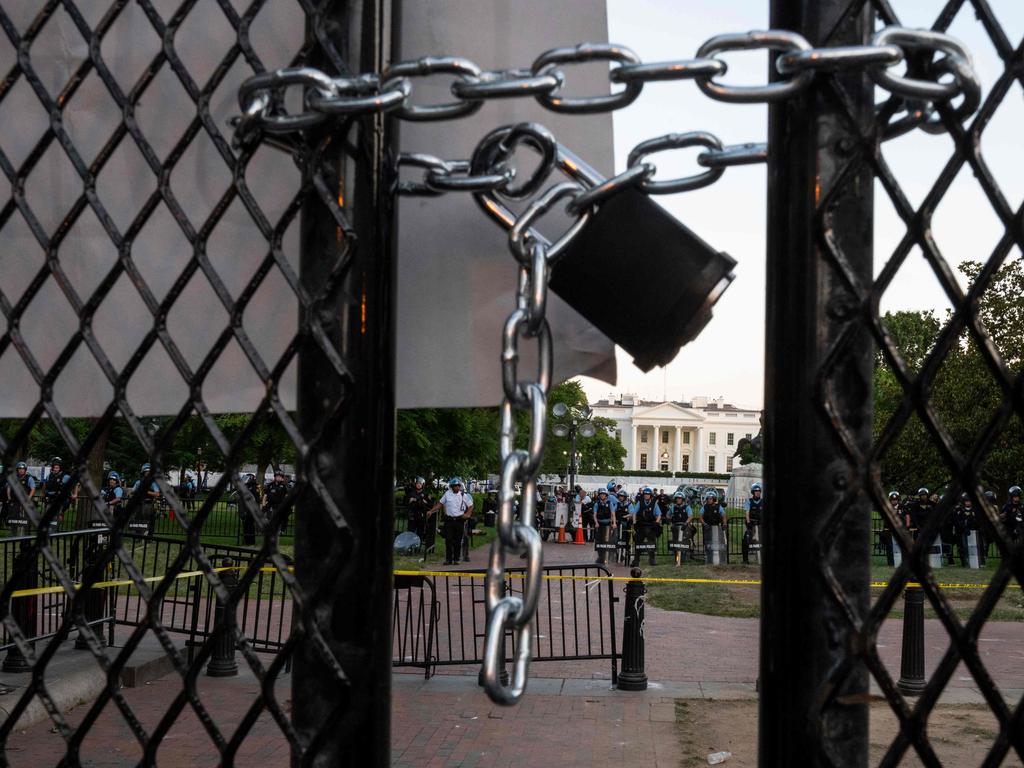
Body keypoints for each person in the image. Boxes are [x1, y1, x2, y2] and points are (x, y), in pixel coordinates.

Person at [428, 477, 473, 565]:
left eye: (458, 485)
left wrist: (467, 515)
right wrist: (431, 511)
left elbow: (471, 506)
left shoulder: (463, 495)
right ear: (452, 487)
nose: (457, 487)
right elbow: (440, 504)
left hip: (459, 520)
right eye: (455, 486)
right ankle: (448, 559)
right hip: (449, 520)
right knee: (448, 540)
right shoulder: (447, 494)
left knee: (458, 540)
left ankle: (456, 559)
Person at [629, 487, 662, 567]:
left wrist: (656, 522)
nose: (646, 496)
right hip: (641, 526)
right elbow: (634, 513)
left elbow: (659, 515)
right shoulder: (640, 502)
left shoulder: (654, 503)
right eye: (645, 494)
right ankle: (636, 560)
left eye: (648, 494)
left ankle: (652, 559)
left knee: (651, 543)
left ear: (650, 495)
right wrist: (634, 523)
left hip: (651, 526)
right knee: (638, 542)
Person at [43, 456, 77, 531]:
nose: (55, 469)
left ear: (60, 467)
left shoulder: (65, 476)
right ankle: (48, 531)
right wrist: (44, 494)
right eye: (54, 467)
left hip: (60, 501)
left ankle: (54, 531)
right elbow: (45, 485)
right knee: (48, 516)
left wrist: (75, 494)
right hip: (50, 499)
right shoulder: (49, 476)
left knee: (57, 516)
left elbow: (75, 483)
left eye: (57, 467)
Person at [405, 476, 433, 553]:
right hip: (412, 516)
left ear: (422, 485)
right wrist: (411, 500)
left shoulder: (426, 494)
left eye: (420, 483)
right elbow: (407, 501)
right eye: (417, 483)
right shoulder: (411, 493)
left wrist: (424, 502)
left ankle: (418, 548)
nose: (418, 485)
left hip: (421, 516)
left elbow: (430, 504)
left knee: (420, 533)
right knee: (410, 532)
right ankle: (409, 548)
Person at [131, 463, 161, 535]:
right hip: (139, 503)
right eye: (146, 472)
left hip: (149, 503)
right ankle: (138, 535)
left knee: (149, 520)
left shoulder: (153, 483)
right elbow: (132, 491)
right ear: (143, 472)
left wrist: (147, 491)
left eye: (149, 472)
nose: (147, 473)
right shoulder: (138, 482)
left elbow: (157, 494)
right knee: (138, 519)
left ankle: (149, 536)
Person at [699, 489, 727, 563]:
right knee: (707, 542)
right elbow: (701, 517)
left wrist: (724, 524)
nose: (709, 500)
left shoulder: (719, 507)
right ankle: (707, 556)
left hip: (717, 527)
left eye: (711, 499)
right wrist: (704, 524)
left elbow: (724, 516)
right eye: (708, 499)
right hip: (707, 527)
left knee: (718, 541)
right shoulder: (704, 507)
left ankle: (720, 557)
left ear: (714, 499)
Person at [261, 468, 291, 540]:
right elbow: (265, 496)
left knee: (284, 517)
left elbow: (287, 496)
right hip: (270, 504)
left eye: (280, 476)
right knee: (266, 516)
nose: (278, 477)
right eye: (277, 476)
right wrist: (263, 505)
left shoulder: (285, 486)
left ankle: (282, 530)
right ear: (274, 477)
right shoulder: (270, 485)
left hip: (280, 504)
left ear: (282, 478)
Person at [6, 462, 36, 527]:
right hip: (15, 500)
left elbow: (33, 489)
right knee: (14, 517)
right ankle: (14, 532)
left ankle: (25, 532)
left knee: (25, 518)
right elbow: (9, 487)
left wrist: (28, 498)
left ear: (25, 470)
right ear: (17, 470)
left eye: (23, 469)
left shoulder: (29, 478)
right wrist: (9, 497)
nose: (21, 470)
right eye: (20, 469)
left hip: (25, 501)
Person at [668, 491, 694, 565]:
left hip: (684, 527)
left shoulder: (687, 507)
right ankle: (677, 558)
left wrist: (686, 523)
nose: (678, 500)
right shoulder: (673, 507)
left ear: (682, 499)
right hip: (676, 527)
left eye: (680, 498)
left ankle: (683, 557)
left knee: (684, 542)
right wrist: (669, 520)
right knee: (676, 542)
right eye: (677, 498)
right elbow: (668, 515)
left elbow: (690, 516)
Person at [593, 488, 617, 564]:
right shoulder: (597, 504)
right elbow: (594, 515)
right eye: (601, 494)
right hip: (599, 524)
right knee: (599, 541)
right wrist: (596, 522)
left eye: (604, 494)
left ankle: (608, 557)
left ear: (606, 495)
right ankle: (600, 557)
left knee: (607, 540)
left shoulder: (610, 503)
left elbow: (613, 514)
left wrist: (614, 523)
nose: (602, 496)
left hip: (607, 524)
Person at [742, 482, 763, 565]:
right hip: (751, 524)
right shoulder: (749, 501)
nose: (758, 493)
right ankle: (745, 560)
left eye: (759, 491)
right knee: (746, 541)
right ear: (753, 492)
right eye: (756, 491)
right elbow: (747, 513)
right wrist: (748, 522)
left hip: (761, 524)